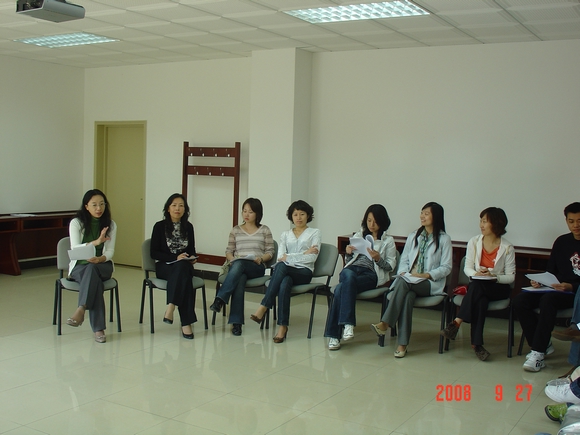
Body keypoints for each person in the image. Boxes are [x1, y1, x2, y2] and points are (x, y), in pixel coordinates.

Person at [371, 202, 452, 358]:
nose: (422, 216)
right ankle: (402, 344)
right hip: (409, 281)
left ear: (436, 216)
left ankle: (385, 322)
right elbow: (404, 260)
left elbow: (446, 267)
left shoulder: (444, 239)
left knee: (404, 284)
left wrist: (427, 275)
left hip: (429, 283)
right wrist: (403, 272)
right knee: (407, 296)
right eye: (422, 213)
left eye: (426, 213)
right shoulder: (413, 235)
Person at [440, 207, 515, 361]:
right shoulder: (474, 242)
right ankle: (477, 345)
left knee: (476, 287)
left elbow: (511, 277)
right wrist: (477, 274)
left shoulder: (507, 247)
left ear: (496, 223)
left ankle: (457, 322)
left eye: (485, 221)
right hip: (479, 286)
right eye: (481, 221)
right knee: (480, 300)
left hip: (498, 288)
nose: (481, 225)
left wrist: (493, 276)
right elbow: (467, 268)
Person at [513, 202, 580, 372]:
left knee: (548, 300)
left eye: (579, 221)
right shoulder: (562, 241)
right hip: (555, 288)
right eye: (571, 221)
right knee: (520, 300)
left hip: (574, 293)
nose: (575, 225)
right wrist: (541, 281)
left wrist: (571, 286)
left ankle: (538, 352)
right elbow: (551, 270)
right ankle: (543, 343)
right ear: (566, 221)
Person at [325, 204, 397, 351]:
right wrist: (348, 252)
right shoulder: (358, 236)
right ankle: (347, 325)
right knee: (348, 275)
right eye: (369, 220)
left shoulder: (388, 241)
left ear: (382, 222)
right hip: (352, 269)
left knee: (340, 289)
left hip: (370, 274)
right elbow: (349, 260)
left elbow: (391, 266)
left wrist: (378, 259)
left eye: (375, 221)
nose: (371, 224)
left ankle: (335, 335)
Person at [250, 200, 321, 343]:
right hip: (286, 272)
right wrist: (303, 253)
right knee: (285, 281)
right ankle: (282, 327)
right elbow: (280, 257)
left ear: (308, 216)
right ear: (291, 217)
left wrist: (290, 257)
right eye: (295, 214)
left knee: (281, 267)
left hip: (304, 272)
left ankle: (264, 306)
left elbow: (312, 258)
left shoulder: (315, 233)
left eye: (302, 214)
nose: (298, 217)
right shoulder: (285, 234)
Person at [209, 198, 275, 336]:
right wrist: (232, 259)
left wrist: (260, 259)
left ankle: (220, 299)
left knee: (239, 266)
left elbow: (270, 252)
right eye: (244, 211)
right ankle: (236, 323)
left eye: (250, 212)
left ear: (257, 213)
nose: (246, 214)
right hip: (238, 267)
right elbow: (229, 251)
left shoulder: (265, 230)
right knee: (240, 277)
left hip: (256, 266)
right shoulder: (236, 230)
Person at [66, 189, 117, 343]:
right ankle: (98, 329)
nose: (98, 208)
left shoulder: (111, 225)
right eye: (94, 205)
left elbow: (110, 251)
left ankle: (81, 308)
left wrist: (100, 258)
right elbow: (75, 248)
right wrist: (96, 242)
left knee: (93, 269)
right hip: (80, 267)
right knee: (94, 280)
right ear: (86, 206)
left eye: (102, 204)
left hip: (103, 265)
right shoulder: (76, 223)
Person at [150, 193, 198, 339]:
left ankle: (171, 306)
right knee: (184, 279)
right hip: (165, 266)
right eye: (174, 205)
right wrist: (175, 258)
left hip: (183, 265)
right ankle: (186, 323)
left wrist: (192, 258)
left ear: (185, 210)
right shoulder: (159, 226)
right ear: (168, 208)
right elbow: (154, 253)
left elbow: (192, 250)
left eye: (181, 206)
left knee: (182, 269)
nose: (177, 208)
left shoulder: (188, 227)